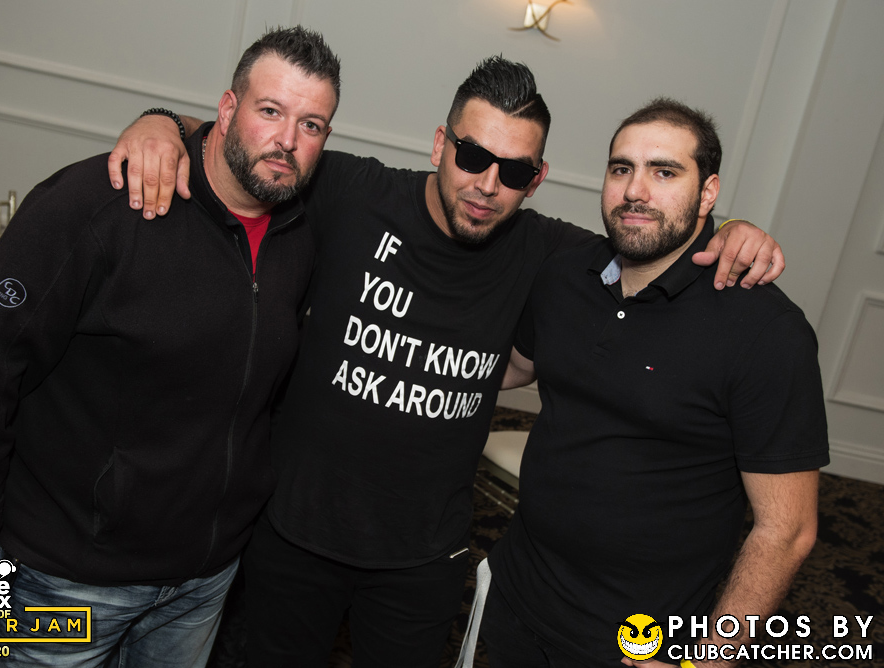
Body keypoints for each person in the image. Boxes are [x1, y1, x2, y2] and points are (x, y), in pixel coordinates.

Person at [109, 58, 785, 668]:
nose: (487, 185)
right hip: (291, 533)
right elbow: (248, 145)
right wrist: (159, 122)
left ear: (537, 180)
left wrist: (732, 230)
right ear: (440, 144)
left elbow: (652, 233)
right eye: (472, 156)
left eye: (514, 171)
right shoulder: (355, 192)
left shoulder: (551, 254)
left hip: (425, 558)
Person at [0, 26, 340, 667]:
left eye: (311, 125)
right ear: (228, 109)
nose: (287, 140)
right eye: (270, 110)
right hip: (59, 571)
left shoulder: (299, 234)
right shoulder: (101, 203)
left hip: (204, 578)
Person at [479, 98, 828, 668]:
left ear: (708, 193)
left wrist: (710, 659)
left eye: (664, 172)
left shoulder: (766, 331)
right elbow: (515, 366)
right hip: (519, 594)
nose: (635, 191)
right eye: (622, 168)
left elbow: (786, 530)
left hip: (639, 642)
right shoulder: (566, 275)